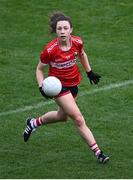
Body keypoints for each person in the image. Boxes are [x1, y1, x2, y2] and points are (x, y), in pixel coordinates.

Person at [23, 12, 109, 163]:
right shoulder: (50, 50)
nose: (62, 31)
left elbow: (82, 54)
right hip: (58, 87)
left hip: (74, 84)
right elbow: (39, 69)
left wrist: (89, 72)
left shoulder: (77, 42)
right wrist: (41, 86)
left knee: (61, 117)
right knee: (79, 119)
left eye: (65, 28)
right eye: (59, 28)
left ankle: (33, 123)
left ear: (71, 30)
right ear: (56, 31)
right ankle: (98, 153)